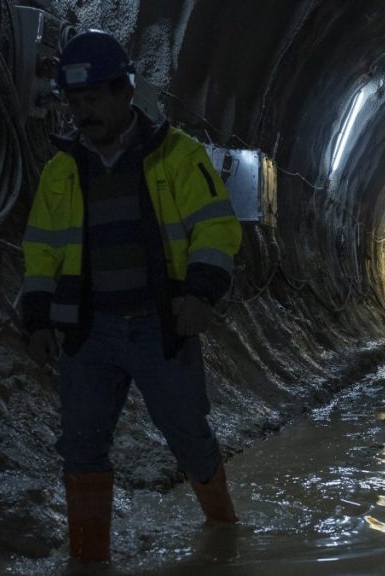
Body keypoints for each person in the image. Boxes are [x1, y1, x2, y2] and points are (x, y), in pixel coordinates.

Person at [21, 30, 243, 564]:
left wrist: (200, 293)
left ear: (125, 92)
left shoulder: (178, 156)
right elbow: (42, 251)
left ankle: (225, 531)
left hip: (159, 324)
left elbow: (215, 230)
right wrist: (37, 318)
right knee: (81, 444)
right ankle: (88, 558)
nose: (83, 112)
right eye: (74, 102)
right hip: (88, 330)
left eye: (93, 98)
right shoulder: (61, 169)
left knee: (187, 434)